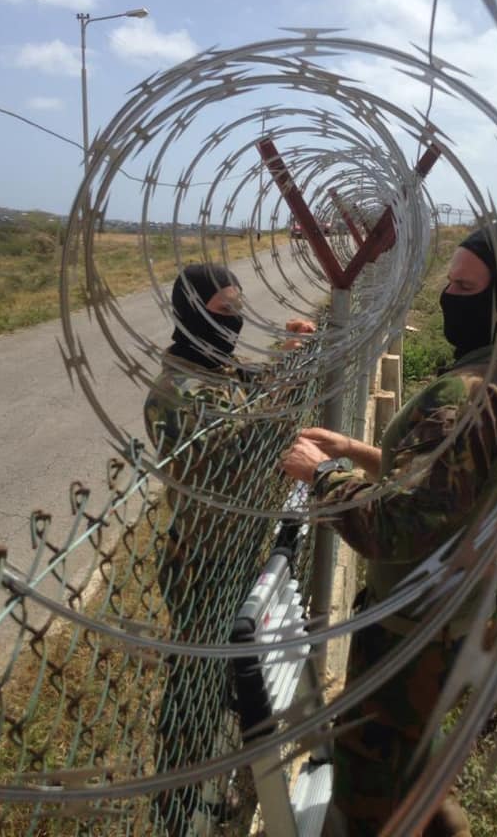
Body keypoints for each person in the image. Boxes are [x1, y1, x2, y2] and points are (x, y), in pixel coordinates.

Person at [280, 221, 497, 837]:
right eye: (449, 281)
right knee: (417, 769)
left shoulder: (468, 395)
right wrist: (356, 449)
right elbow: (448, 487)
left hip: (413, 639)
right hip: (461, 617)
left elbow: (393, 529)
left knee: (371, 794)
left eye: (465, 285)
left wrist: (321, 476)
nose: (449, 295)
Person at [144, 262, 315, 836]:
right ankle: (175, 809)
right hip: (202, 562)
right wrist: (291, 382)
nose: (235, 321)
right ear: (191, 315)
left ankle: (210, 787)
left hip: (235, 550)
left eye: (239, 309)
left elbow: (252, 396)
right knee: (192, 691)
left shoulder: (217, 370)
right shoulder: (175, 391)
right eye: (223, 312)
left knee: (220, 686)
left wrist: (290, 356)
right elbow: (235, 452)